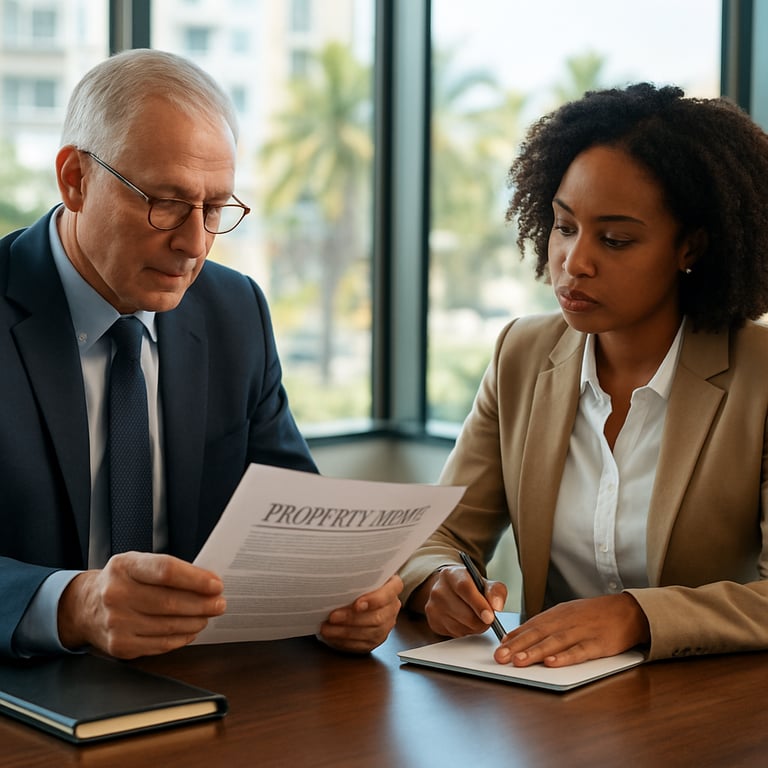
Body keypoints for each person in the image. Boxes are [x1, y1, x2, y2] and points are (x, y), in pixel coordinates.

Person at [0, 49, 401, 660]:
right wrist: (72, 605)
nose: (194, 244)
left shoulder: (235, 310)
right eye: (165, 202)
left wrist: (344, 596)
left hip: (204, 679)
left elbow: (294, 514)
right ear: (75, 180)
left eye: (215, 209)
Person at [400, 82, 768, 667]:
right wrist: (438, 581)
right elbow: (438, 535)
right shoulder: (521, 354)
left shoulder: (759, 374)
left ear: (690, 248)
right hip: (548, 699)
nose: (574, 263)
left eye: (615, 240)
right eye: (564, 226)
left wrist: (636, 615)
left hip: (709, 702)